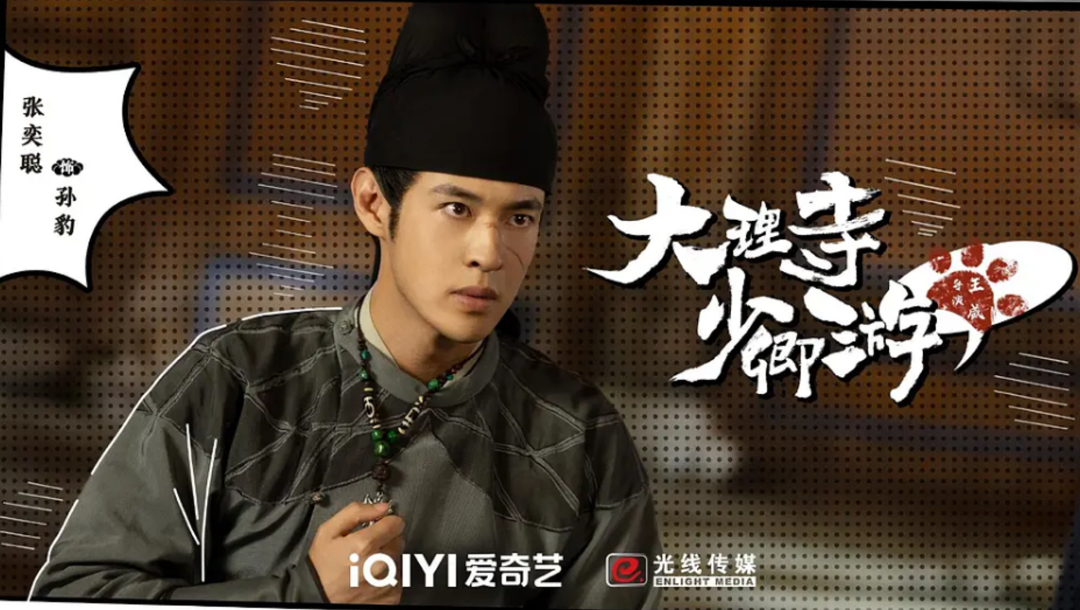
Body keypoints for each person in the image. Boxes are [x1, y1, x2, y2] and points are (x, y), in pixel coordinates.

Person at [28, 3, 663, 608]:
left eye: (520, 217)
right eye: (457, 208)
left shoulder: (578, 435)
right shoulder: (238, 379)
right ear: (374, 204)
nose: (490, 253)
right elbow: (73, 598)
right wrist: (300, 594)